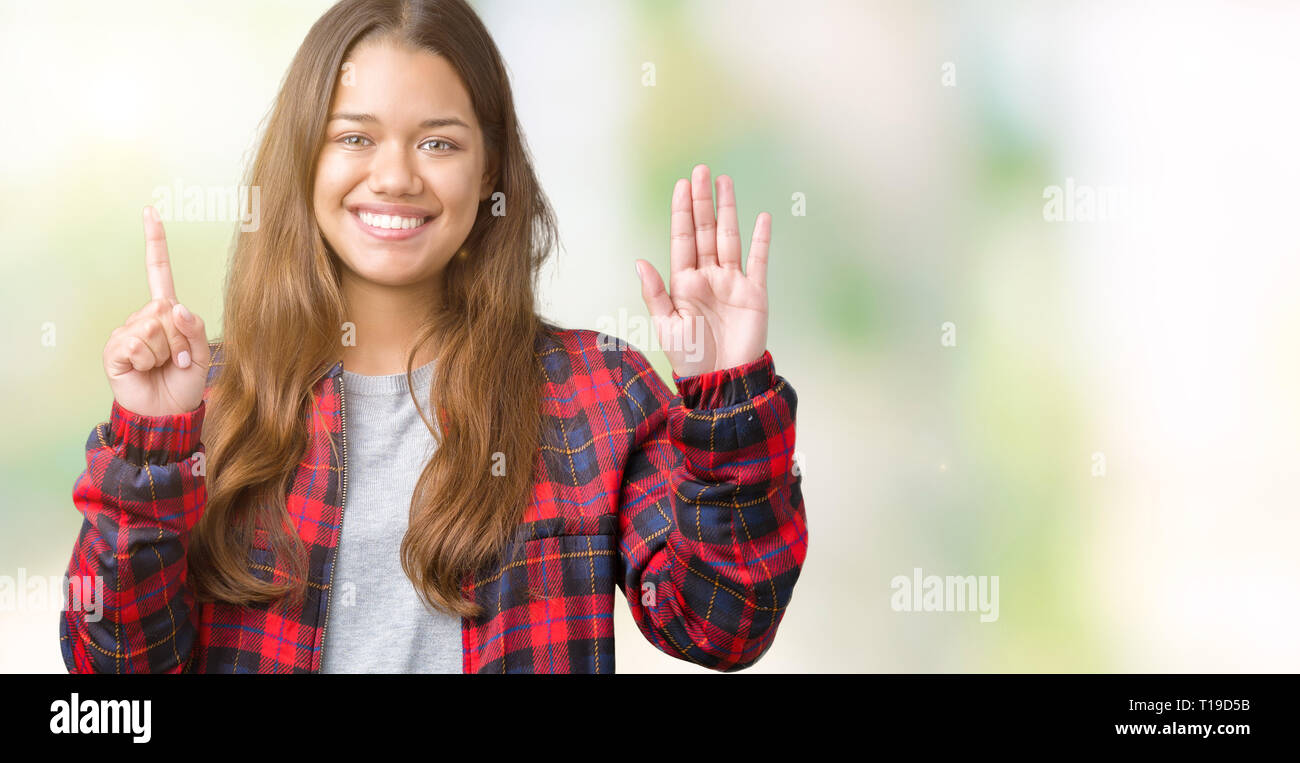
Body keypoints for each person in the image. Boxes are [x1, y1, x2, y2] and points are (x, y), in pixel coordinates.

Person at [59, 0, 805, 674]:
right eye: (355, 136)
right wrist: (153, 443)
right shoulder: (208, 402)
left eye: (439, 144)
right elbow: (117, 672)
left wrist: (726, 397)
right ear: (304, 160)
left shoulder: (597, 390)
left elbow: (721, 625)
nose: (394, 177)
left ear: (489, 170)